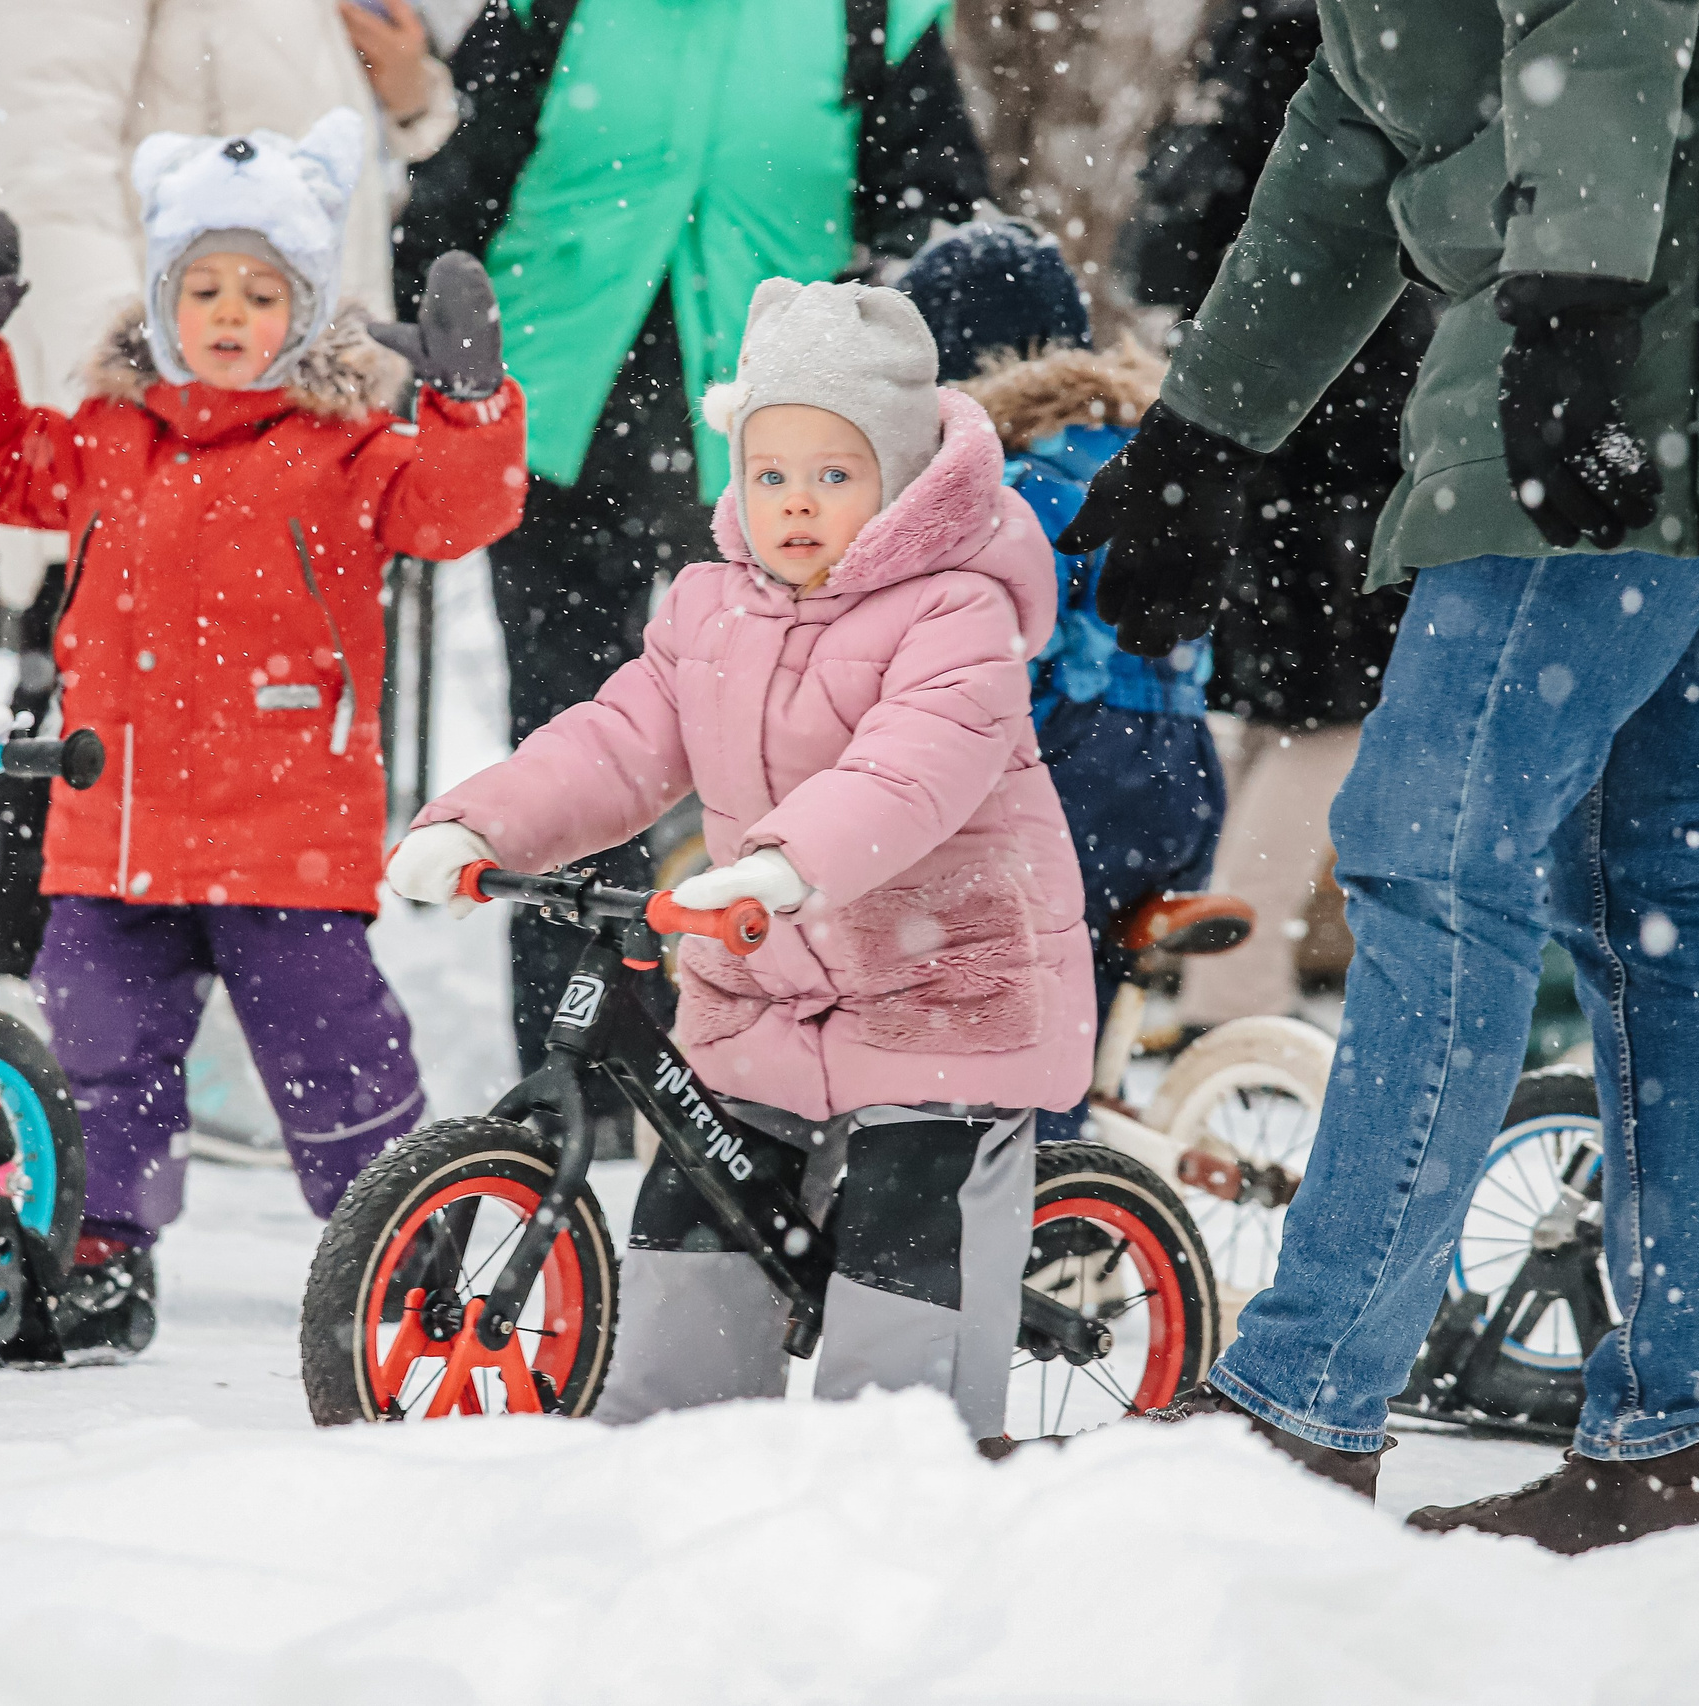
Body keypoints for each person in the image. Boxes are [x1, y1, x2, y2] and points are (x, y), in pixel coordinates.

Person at [1061, 0, 1699, 1550]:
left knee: (1436, 852)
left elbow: (1598, 31)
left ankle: (1303, 1405)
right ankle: (1680, 1436)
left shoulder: (1607, 259)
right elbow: (1355, 124)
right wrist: (1203, 435)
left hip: (1652, 359)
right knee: (1653, 879)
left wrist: (1577, 313)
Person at [384, 281, 1089, 1440]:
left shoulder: (956, 611)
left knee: (907, 1240)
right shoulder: (710, 609)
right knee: (695, 1217)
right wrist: (480, 825)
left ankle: (902, 1480)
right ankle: (678, 1458)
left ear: (904, 480)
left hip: (944, 977)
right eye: (770, 474)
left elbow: (911, 770)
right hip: (773, 979)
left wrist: (782, 863)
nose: (796, 504)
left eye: (833, 473)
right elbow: (615, 742)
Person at [0, 112, 529, 1349]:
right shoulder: (105, 439)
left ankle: (404, 1240)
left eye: (262, 288)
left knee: (333, 1053)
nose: (231, 311)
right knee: (96, 1054)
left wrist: (468, 401)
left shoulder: (347, 450)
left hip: (282, 834)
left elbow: (461, 509)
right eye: (204, 286)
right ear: (161, 299)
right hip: (114, 831)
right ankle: (97, 1256)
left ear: (305, 310)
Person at [395, 0, 991, 1121]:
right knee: (575, 752)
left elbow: (935, 206)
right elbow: (457, 183)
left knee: (802, 753)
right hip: (561, 420)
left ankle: (790, 1075)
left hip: (789, 451)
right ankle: (577, 1080)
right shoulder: (548, 8)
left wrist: (886, 333)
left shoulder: (869, 15)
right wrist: (436, 335)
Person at [0, 0, 464, 1024]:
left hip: (289, 424)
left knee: (263, 732)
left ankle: (198, 1036)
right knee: (82, 711)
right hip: (148, 421)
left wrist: (417, 106)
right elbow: (48, 147)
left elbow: (346, 140)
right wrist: (147, 386)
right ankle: (29, 1035)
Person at [1115, 0, 1425, 1034]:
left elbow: (1176, 236)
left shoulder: (1251, 36)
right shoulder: (1311, 34)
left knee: (1279, 724)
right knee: (1324, 725)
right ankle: (1230, 992)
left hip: (1266, 431)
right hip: (1329, 435)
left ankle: (1199, 964)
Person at [903, 222, 1223, 1085]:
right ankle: (1085, 1153)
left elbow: (995, 661)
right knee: (1076, 974)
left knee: (993, 994)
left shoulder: (1008, 486)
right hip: (1180, 791)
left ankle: (1036, 1179)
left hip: (1075, 783)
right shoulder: (1152, 461)